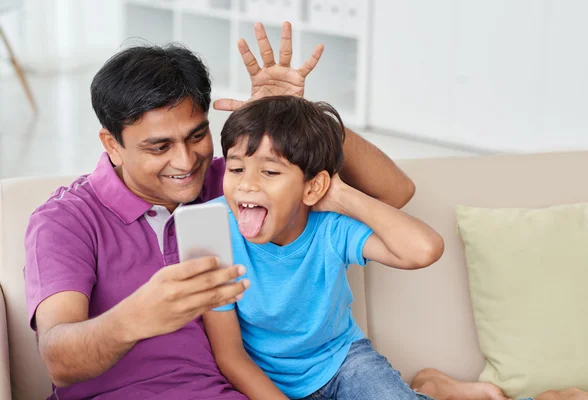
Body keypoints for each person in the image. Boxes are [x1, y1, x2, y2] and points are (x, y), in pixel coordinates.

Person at [23, 22, 415, 400]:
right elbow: (59, 359)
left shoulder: (235, 184)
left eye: (197, 135)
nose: (185, 161)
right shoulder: (65, 221)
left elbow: (396, 193)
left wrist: (296, 115)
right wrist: (132, 318)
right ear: (112, 144)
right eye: (159, 147)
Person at [202, 95, 444, 400]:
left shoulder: (330, 226)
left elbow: (425, 249)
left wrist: (341, 195)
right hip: (265, 379)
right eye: (236, 169)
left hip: (344, 361)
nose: (246, 185)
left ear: (313, 186)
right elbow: (230, 356)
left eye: (270, 172)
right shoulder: (212, 229)